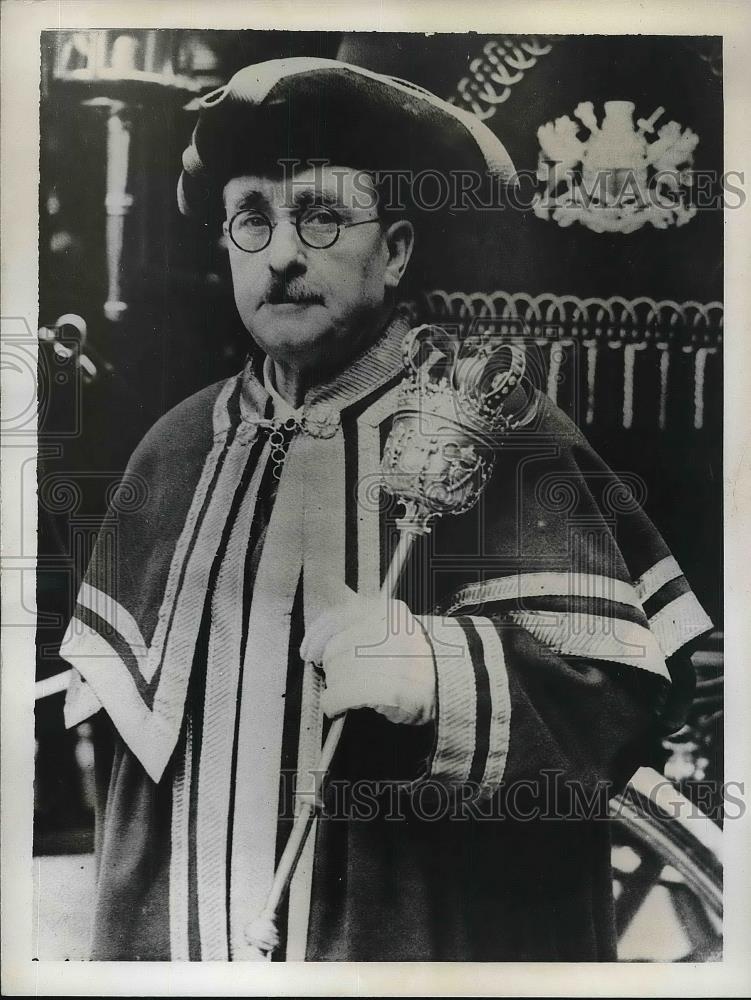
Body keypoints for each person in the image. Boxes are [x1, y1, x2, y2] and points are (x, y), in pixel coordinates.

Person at [60, 57, 713, 961]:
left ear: (397, 250)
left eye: (321, 214)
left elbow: (624, 704)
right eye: (252, 218)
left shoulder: (500, 428)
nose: (282, 252)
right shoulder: (174, 446)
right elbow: (131, 774)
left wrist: (434, 670)